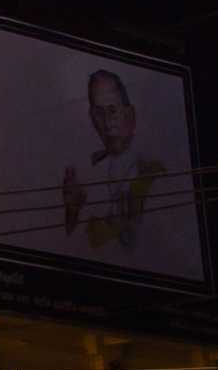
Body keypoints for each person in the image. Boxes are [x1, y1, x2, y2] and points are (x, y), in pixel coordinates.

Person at [61, 69, 171, 265]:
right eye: (98, 113)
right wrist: (73, 212)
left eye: (112, 110)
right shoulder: (90, 173)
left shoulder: (152, 170)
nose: (107, 122)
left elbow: (160, 252)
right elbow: (70, 256)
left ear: (129, 115)